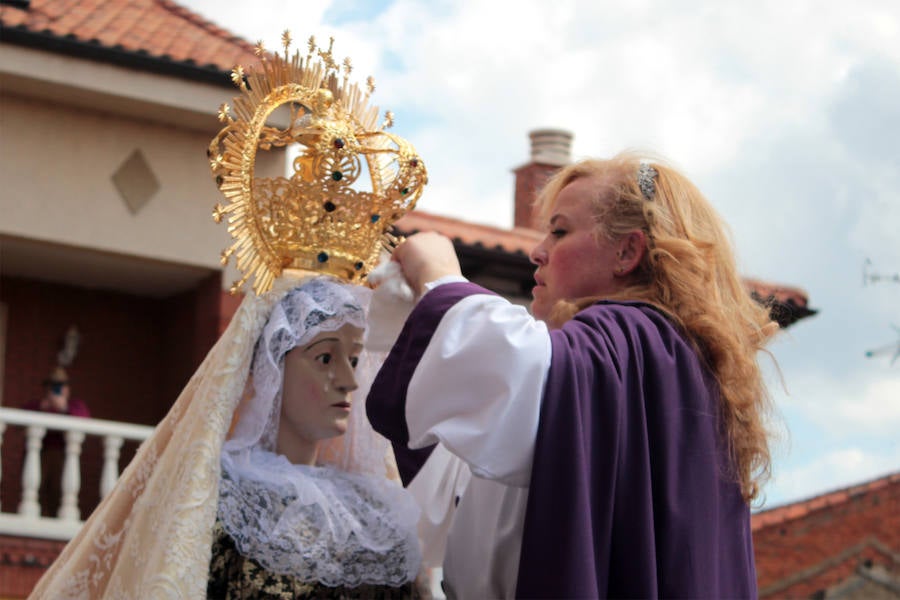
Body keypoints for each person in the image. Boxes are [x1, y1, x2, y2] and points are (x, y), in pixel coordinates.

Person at [367, 151, 779, 599]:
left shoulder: (635, 341)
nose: (537, 251)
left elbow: (526, 371)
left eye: (559, 231)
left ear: (627, 251)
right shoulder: (649, 361)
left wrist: (440, 277)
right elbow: (488, 468)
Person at [29, 274, 425, 599]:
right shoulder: (214, 498)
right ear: (272, 371)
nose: (349, 381)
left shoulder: (374, 511)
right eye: (325, 358)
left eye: (354, 360)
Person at [22, 366, 90, 516]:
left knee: (58, 491)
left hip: (63, 456)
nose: (57, 389)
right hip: (40, 454)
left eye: (61, 385)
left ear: (67, 388)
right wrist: (42, 407)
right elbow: (22, 417)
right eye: (53, 385)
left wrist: (64, 408)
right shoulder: (37, 405)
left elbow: (84, 419)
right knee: (37, 490)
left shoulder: (74, 405)